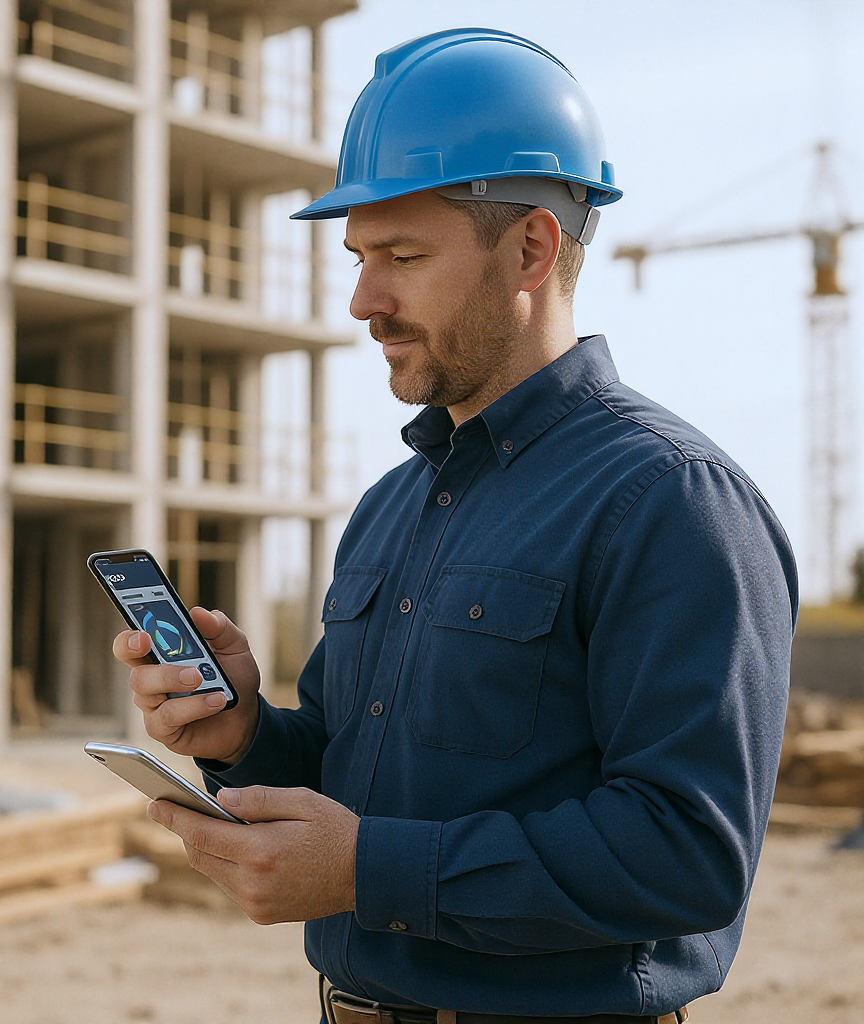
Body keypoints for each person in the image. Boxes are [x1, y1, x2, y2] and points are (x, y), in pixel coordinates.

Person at [113, 29, 798, 1024]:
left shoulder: (670, 501)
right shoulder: (391, 506)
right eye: (357, 256)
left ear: (531, 247)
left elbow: (687, 854)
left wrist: (365, 869)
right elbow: (358, 780)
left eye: (402, 255)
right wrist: (245, 733)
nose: (362, 300)